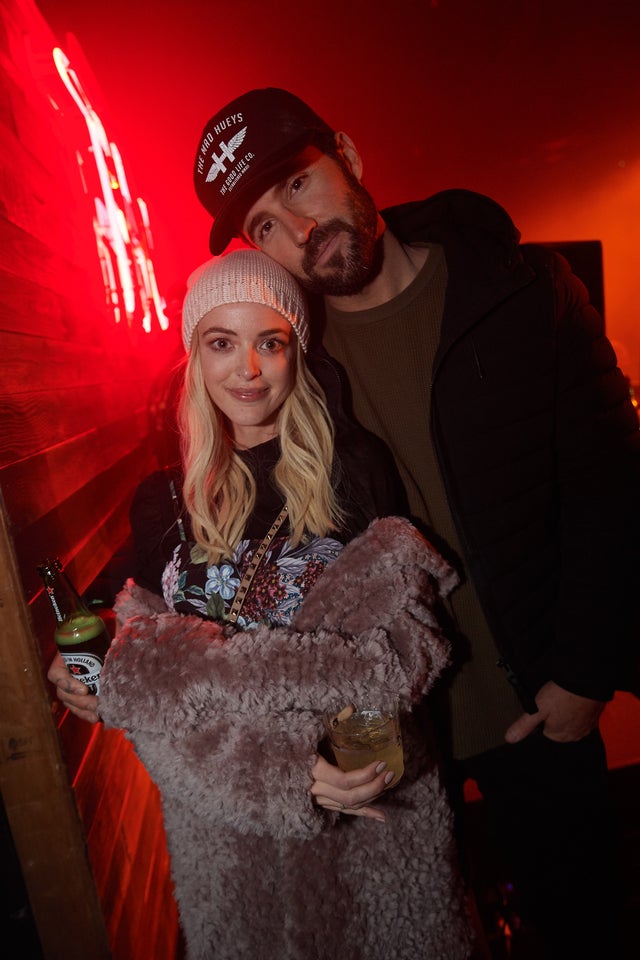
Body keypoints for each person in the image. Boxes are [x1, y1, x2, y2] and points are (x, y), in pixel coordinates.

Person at [190, 88, 640, 957]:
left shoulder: (521, 292)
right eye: (265, 226)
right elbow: (205, 490)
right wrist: (106, 637)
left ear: (348, 157)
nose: (294, 229)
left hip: (535, 721)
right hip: (389, 745)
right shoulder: (288, 359)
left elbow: (613, 490)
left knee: (585, 927)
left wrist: (583, 678)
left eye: (296, 184)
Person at [49, 250, 476, 959]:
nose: (247, 367)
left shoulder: (355, 468)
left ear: (296, 354)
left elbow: (395, 645)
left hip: (361, 825)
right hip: (222, 830)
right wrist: (81, 672)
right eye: (222, 342)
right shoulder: (163, 501)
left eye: (269, 341)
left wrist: (353, 764)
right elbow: (136, 649)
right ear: (194, 356)